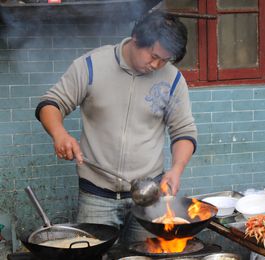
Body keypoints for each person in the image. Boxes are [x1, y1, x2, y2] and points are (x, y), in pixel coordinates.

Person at [35, 11, 197, 244]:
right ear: (135, 37)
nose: (156, 65)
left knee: (146, 255)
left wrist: (177, 168)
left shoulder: (172, 79)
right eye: (153, 56)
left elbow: (183, 131)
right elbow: (51, 103)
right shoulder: (91, 66)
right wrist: (59, 134)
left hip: (148, 198)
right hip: (96, 196)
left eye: (164, 60)